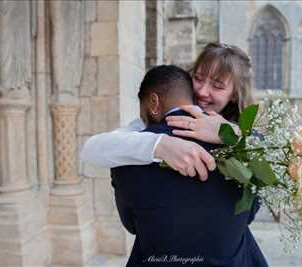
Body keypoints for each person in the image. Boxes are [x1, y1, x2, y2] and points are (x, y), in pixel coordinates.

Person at [111, 65, 267, 266]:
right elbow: (248, 214)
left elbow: (132, 225)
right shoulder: (249, 150)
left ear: (153, 102)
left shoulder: (125, 155)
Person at [81, 43, 254, 182]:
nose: (202, 91)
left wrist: (232, 134)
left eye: (217, 86)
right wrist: (160, 145)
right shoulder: (166, 118)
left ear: (234, 94)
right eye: (198, 78)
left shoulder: (245, 133)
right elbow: (92, 150)